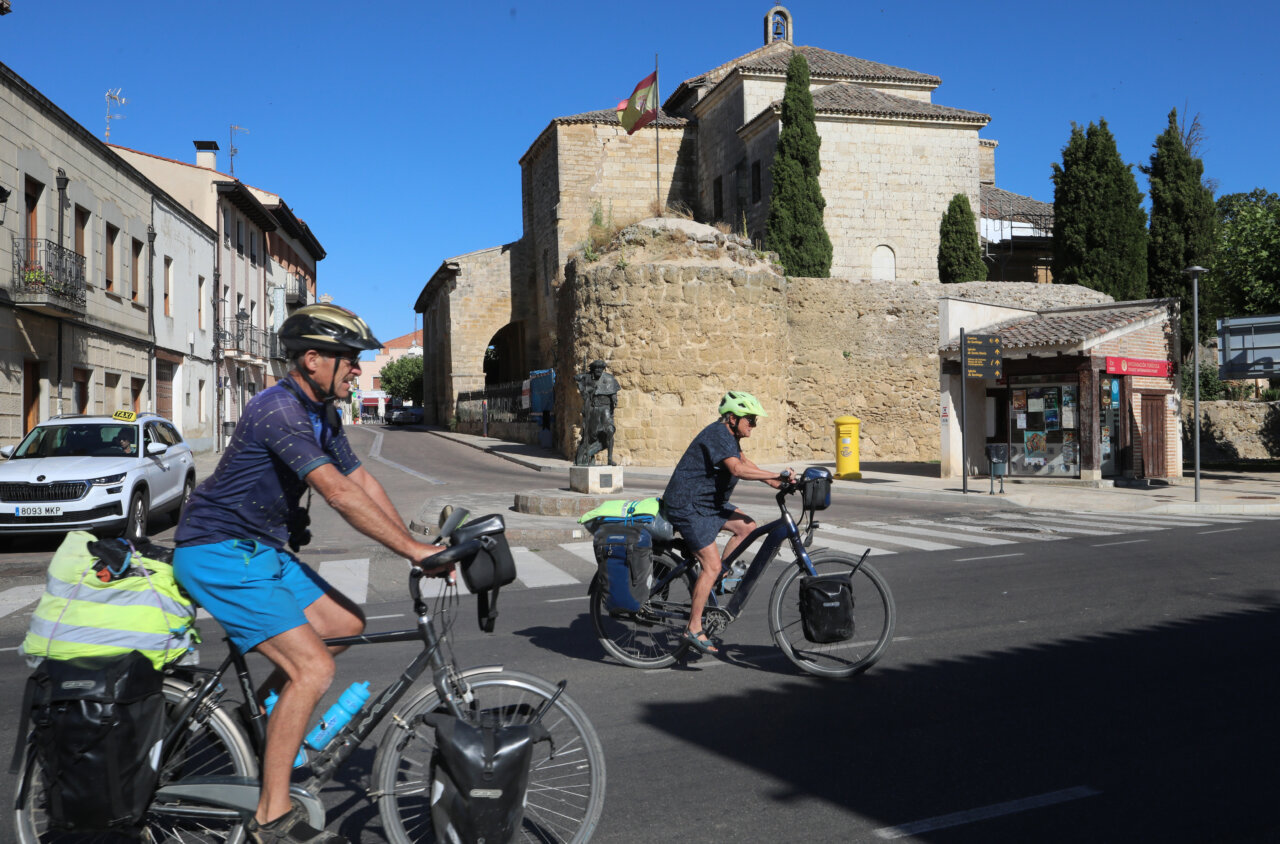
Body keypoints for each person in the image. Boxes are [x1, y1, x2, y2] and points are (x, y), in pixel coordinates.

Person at [173, 304, 447, 844]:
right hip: (217, 550)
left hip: (259, 550)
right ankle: (270, 817)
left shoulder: (324, 413)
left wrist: (419, 545)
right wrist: (414, 553)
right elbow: (338, 495)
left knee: (344, 623)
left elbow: (362, 481)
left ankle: (263, 724)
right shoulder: (279, 410)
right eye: (349, 359)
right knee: (313, 671)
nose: (356, 369)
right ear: (313, 359)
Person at [662, 391, 791, 654]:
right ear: (732, 418)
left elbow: (745, 461)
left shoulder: (729, 436)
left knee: (746, 526)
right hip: (689, 505)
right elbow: (738, 470)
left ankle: (720, 578)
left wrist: (779, 482)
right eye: (750, 420)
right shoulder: (718, 434)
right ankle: (693, 628)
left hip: (709, 504)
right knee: (710, 565)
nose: (753, 425)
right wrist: (776, 475)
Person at [573, 359, 619, 466]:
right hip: (593, 410)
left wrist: (614, 397)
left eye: (601, 368)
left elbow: (613, 392)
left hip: (605, 409)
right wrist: (583, 377)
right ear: (593, 369)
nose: (598, 370)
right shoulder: (588, 377)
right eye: (596, 368)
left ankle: (610, 459)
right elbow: (577, 378)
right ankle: (588, 455)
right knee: (591, 437)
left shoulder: (609, 378)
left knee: (610, 430)